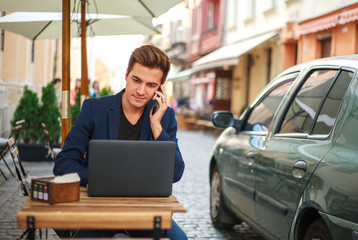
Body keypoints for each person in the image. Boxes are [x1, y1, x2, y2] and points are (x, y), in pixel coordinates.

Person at [53, 44, 187, 239]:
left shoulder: (165, 117)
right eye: (136, 80)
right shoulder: (94, 108)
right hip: (97, 213)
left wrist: (157, 127)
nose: (141, 91)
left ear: (161, 87)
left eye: (151, 85)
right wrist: (101, 178)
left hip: (146, 214)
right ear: (126, 75)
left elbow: (175, 173)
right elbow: (63, 164)